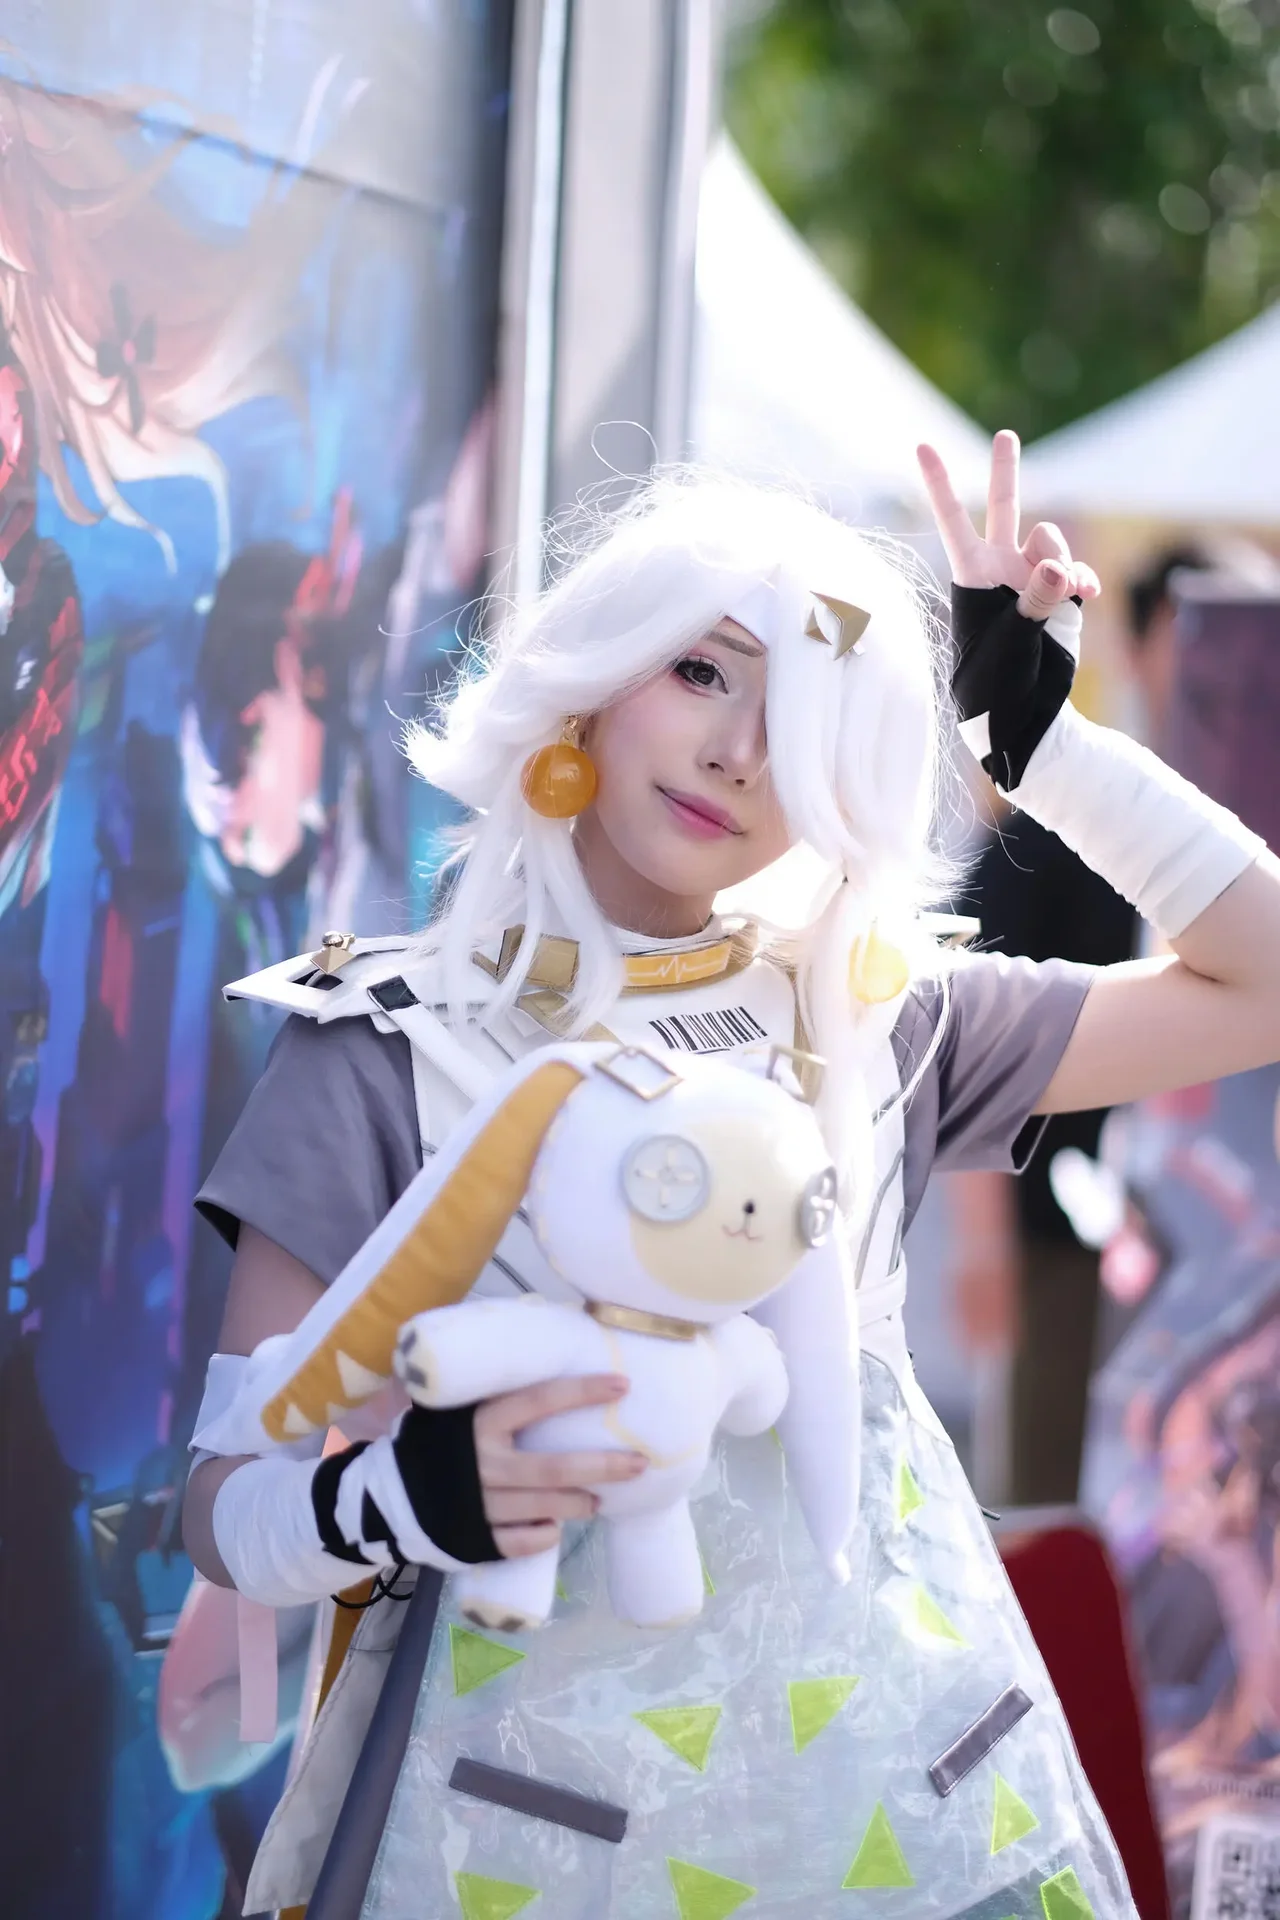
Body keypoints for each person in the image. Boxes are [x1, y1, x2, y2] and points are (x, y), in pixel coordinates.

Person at [181, 434, 1280, 1919]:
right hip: (523, 1828)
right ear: (592, 672)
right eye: (702, 671)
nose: (740, 752)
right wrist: (392, 1497)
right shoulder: (386, 1046)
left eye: (805, 714)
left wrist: (1043, 750)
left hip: (907, 1799)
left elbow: (1260, 981)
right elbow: (227, 1509)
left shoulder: (874, 1014)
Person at [943, 544, 1211, 1507]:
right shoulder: (1052, 832)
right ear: (1139, 650)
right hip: (1064, 1238)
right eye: (1196, 635)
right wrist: (983, 1246)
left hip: (1230, 1242)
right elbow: (963, 1029)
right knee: (1051, 1497)